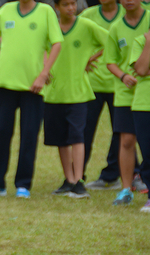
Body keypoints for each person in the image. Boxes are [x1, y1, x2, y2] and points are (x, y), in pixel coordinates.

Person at [0, 0, 62, 199]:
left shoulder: (46, 11)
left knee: (29, 135)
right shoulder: (6, 10)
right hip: (4, 83)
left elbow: (57, 43)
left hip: (33, 86)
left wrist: (44, 73)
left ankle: (23, 184)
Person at [43, 0, 108, 199]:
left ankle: (79, 181)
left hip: (79, 93)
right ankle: (68, 179)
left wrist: (92, 58)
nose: (71, 8)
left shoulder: (86, 25)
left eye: (73, 4)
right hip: (54, 93)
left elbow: (110, 41)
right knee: (61, 139)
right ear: (57, 7)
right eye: (66, 5)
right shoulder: (50, 27)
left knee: (77, 136)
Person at [104, 0, 150, 205]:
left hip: (146, 90)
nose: (129, 1)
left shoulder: (149, 17)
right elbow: (110, 60)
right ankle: (126, 188)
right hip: (126, 92)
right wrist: (123, 76)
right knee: (127, 141)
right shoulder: (116, 27)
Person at [80, 0, 128, 191]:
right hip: (92, 83)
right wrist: (82, 59)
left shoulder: (129, 12)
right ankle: (77, 177)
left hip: (120, 84)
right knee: (84, 131)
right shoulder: (88, 15)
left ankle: (111, 175)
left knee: (121, 133)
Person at [131, 30, 150, 212]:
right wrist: (149, 43)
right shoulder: (139, 41)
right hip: (144, 104)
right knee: (148, 152)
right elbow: (142, 70)